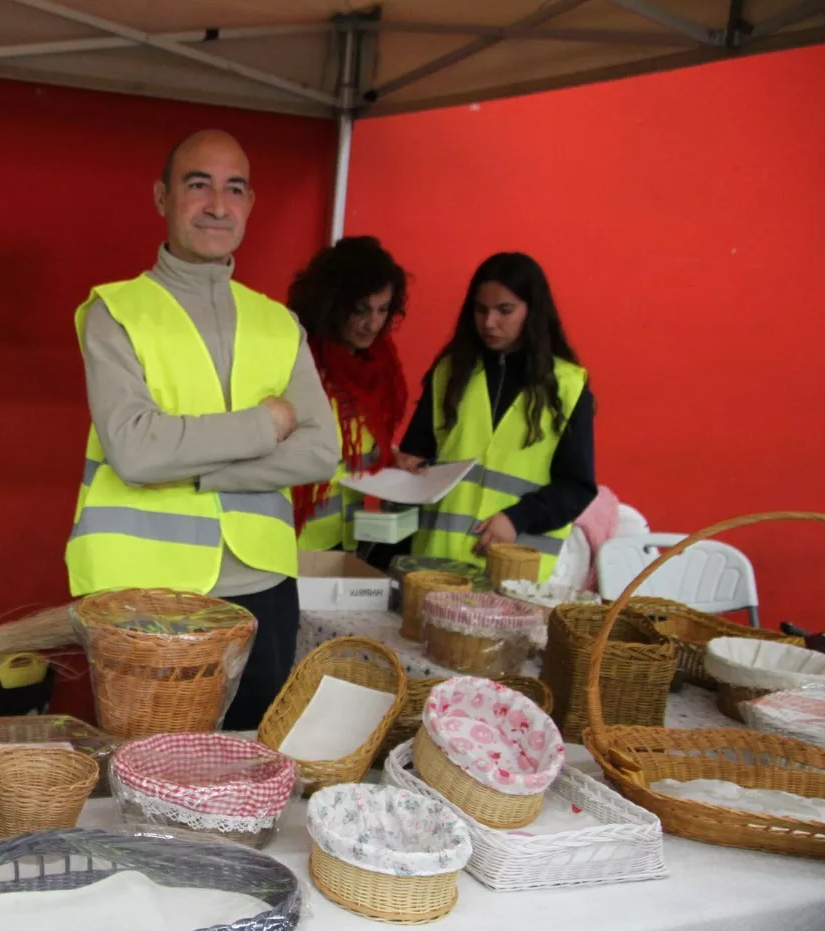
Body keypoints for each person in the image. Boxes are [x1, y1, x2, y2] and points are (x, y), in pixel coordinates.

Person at [66, 129, 340, 731]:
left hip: (263, 588)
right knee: (149, 772)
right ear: (162, 197)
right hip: (145, 592)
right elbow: (135, 451)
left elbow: (321, 449)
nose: (218, 203)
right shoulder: (116, 311)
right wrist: (264, 425)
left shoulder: (277, 322)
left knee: (248, 766)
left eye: (234, 188)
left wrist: (198, 466)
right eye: (199, 185)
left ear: (250, 203)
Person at [398, 252, 596, 580]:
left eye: (505, 310)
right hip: (435, 567)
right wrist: (407, 467)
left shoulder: (568, 386)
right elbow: (417, 456)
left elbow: (576, 487)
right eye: (480, 310)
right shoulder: (449, 373)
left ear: (533, 311)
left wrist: (518, 518)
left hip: (516, 573)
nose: (489, 323)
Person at [287, 237, 410, 560]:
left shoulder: (379, 363)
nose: (373, 324)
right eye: (360, 310)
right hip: (292, 538)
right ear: (332, 305)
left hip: (346, 538)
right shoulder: (296, 359)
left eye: (383, 310)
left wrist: (390, 457)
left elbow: (357, 448)